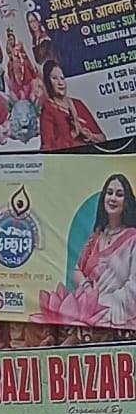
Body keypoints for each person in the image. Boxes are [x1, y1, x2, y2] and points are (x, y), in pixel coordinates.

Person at [72, 174, 136, 326]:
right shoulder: (96, 237)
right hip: (90, 311)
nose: (113, 198)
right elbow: (77, 270)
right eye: (109, 193)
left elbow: (134, 284)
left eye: (119, 194)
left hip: (117, 316)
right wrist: (88, 292)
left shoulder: (132, 238)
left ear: (126, 202)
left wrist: (103, 304)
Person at [39, 60, 104, 151]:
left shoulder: (78, 104)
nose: (60, 83)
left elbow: (102, 138)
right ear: (47, 82)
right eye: (55, 78)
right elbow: (47, 148)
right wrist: (72, 135)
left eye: (62, 78)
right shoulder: (48, 110)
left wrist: (89, 135)